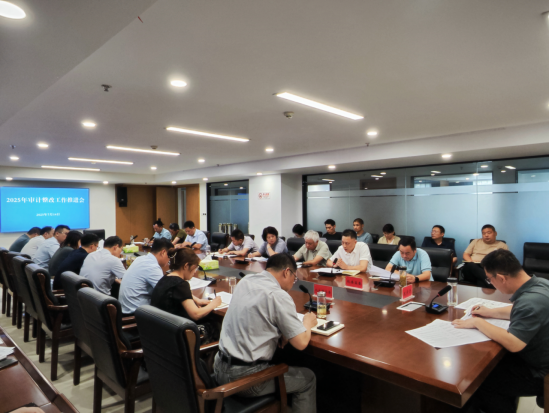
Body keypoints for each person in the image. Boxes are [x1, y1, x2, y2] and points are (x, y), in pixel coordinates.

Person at [214, 254, 318, 413]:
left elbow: (254, 317)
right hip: (245, 378)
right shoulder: (278, 295)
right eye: (294, 278)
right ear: (286, 272)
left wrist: (280, 331)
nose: (293, 283)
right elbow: (301, 342)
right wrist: (307, 323)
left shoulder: (245, 281)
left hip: (219, 367)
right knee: (308, 378)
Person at [453, 249, 548, 413]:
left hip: (540, 371)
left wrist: (477, 322)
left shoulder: (530, 302)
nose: (490, 283)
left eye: (489, 279)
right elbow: (519, 310)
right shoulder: (540, 283)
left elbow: (514, 343)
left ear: (501, 278)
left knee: (479, 381)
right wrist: (490, 312)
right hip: (538, 357)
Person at [151, 247, 222, 343]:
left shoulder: (165, 278)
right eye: (195, 267)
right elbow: (196, 314)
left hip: (161, 330)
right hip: (176, 335)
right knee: (215, 323)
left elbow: (175, 292)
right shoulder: (181, 284)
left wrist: (197, 300)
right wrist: (214, 304)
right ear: (186, 266)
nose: (195, 271)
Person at [119, 238, 174, 315]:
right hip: (135, 315)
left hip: (125, 310)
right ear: (163, 252)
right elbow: (167, 293)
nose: (169, 259)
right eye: (170, 255)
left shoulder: (140, 259)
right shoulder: (152, 266)